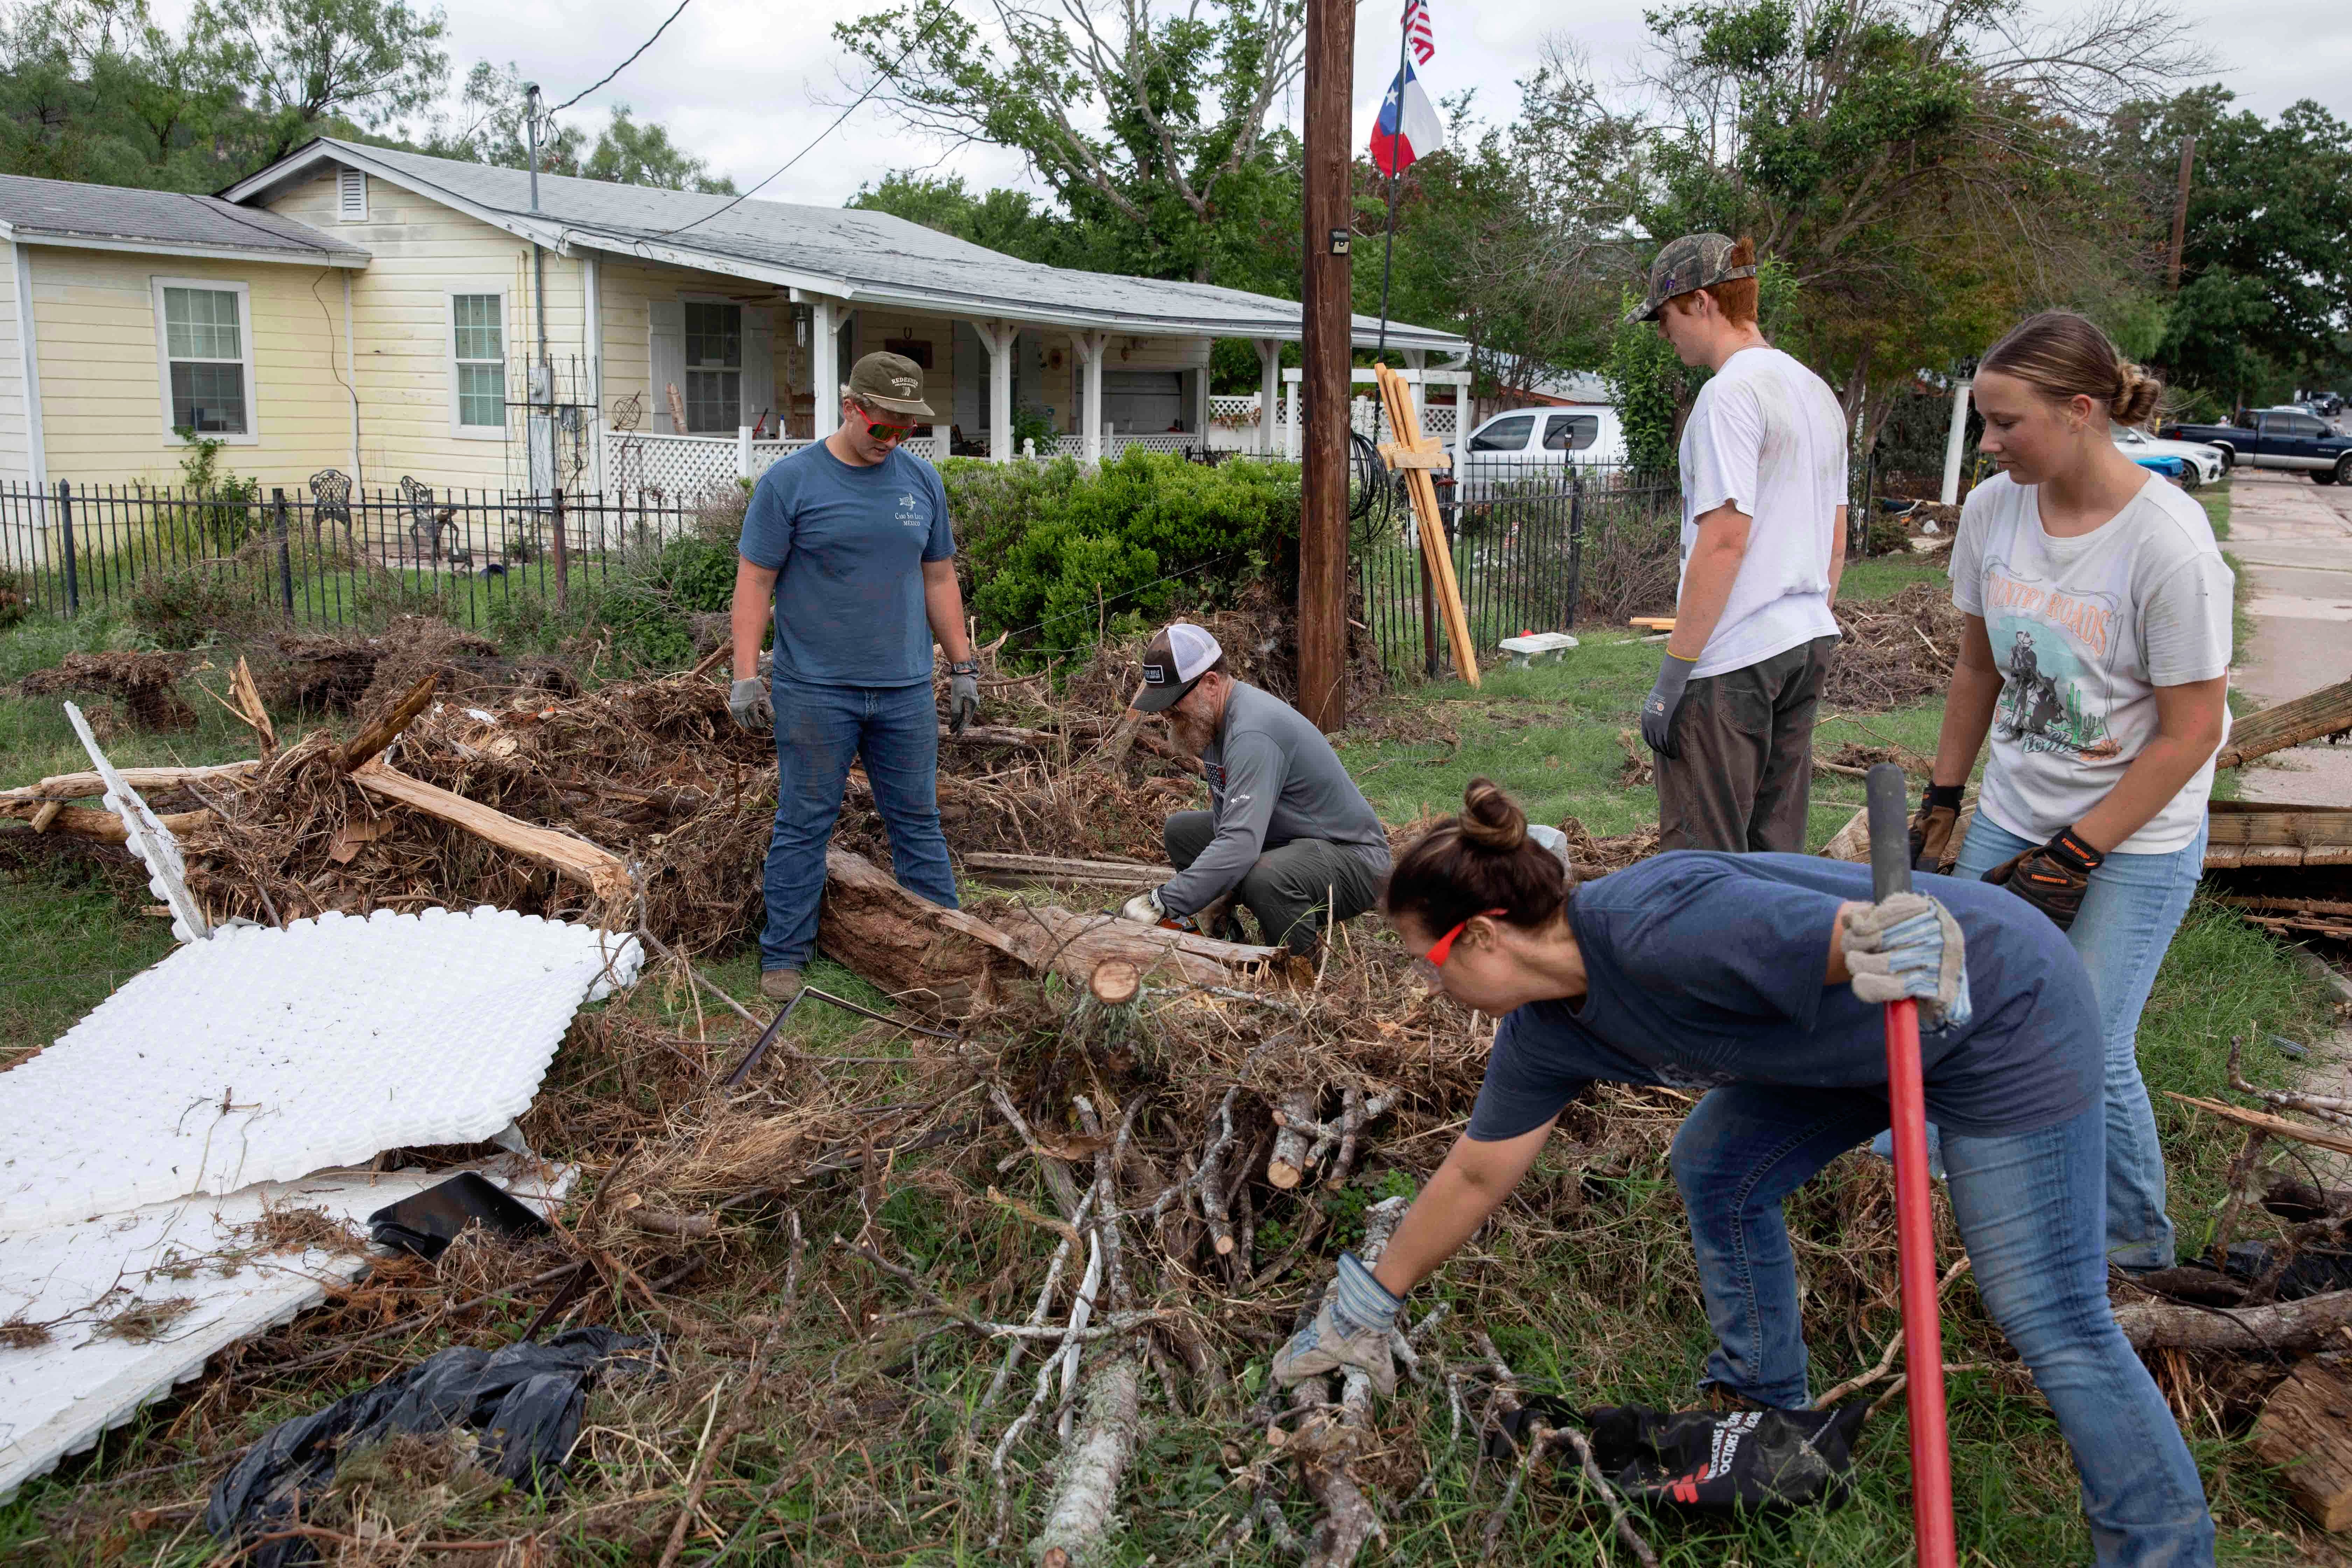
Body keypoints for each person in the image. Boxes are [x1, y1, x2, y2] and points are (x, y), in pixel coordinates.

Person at [1273, 779, 2215, 1565]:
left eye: (1426, 963)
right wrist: (1368, 1302)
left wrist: (1906, 940)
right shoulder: (1546, 1032)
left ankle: (2163, 1547)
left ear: (1481, 937)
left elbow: (1863, 931)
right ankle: (1768, 1412)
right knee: (1717, 1164)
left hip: (1997, 1009)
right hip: (1846, 1056)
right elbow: (1478, 1176)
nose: (1428, 988)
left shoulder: (1657, 924)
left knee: (2050, 1310)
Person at [1905, 312, 2231, 1273]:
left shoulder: (2168, 547)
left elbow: (2191, 733)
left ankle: (2134, 1250)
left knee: (2090, 1035)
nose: (1992, 443)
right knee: (1968, 1009)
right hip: (2016, 803)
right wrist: (1945, 796)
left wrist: (2078, 852)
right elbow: (1978, 669)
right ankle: (1971, 1198)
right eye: (1986, 422)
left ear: (2082, 411)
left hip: (2138, 831)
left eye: (2007, 423)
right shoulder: (1996, 511)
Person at [727, 351, 982, 1002]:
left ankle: (947, 944)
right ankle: (784, 955)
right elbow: (756, 582)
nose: (894, 441)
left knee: (917, 820)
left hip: (903, 688)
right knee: (805, 820)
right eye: (883, 427)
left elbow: (939, 577)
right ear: (851, 408)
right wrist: (746, 676)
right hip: (815, 689)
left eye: (907, 430)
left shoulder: (921, 484)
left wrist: (963, 667)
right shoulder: (790, 485)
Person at [1625, 233, 1849, 852]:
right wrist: (1811, 616)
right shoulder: (1814, 392)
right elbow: (1836, 535)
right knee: (1775, 854)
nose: (1662, 332)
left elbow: (1724, 540)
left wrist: (1674, 676)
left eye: (1664, 317)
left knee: (1704, 861)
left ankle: (1705, 952)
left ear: (1702, 303)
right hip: (1805, 640)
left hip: (1736, 658)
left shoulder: (1729, 396)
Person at [1116, 624, 1390, 956]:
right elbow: (1226, 825)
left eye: (1173, 702)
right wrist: (1218, 895)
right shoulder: (1209, 723)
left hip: (1352, 859)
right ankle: (1222, 936)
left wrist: (1162, 901)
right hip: (1290, 839)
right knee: (1182, 832)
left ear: (1211, 683)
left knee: (1266, 877)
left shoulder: (1252, 733)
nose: (1165, 713)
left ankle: (1297, 966)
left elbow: (1240, 842)